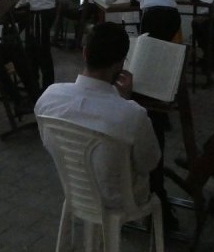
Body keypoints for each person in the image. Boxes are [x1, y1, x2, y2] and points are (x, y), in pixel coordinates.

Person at [35, 22, 174, 231]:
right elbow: (149, 163)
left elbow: (48, 142)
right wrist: (125, 100)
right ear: (120, 65)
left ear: (85, 53)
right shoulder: (132, 114)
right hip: (122, 200)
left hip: (75, 189)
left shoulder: (49, 96)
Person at [103, 0, 181, 222]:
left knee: (148, 68)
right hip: (173, 14)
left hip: (154, 15)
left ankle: (151, 111)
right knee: (163, 64)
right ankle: (163, 112)